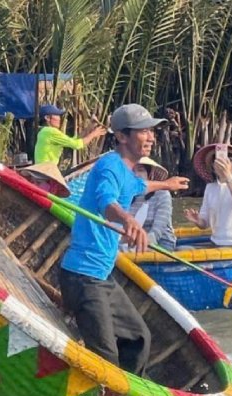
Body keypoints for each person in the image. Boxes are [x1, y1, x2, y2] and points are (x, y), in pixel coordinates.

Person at [59, 103, 190, 375]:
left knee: (139, 339)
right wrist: (128, 220)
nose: (151, 137)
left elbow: (141, 186)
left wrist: (168, 184)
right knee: (106, 357)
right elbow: (106, 202)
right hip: (82, 277)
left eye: (151, 132)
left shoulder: (128, 173)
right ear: (121, 136)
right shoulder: (109, 166)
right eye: (143, 132)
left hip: (101, 276)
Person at [183, 144, 232, 247]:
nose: (223, 163)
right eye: (218, 160)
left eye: (229, 160)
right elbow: (205, 223)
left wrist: (228, 176)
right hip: (216, 243)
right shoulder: (210, 188)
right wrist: (197, 220)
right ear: (213, 166)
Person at [125, 157, 175, 250]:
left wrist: (142, 244)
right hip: (132, 242)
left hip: (160, 242)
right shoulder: (126, 196)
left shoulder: (162, 194)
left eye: (140, 170)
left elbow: (157, 230)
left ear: (150, 174)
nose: (136, 174)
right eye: (132, 171)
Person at [34, 104, 107, 165]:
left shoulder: (44, 131)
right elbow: (77, 145)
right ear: (47, 118)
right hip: (46, 171)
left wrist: (89, 128)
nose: (59, 119)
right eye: (57, 115)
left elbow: (73, 140)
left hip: (43, 169)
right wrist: (94, 134)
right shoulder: (50, 131)